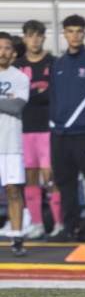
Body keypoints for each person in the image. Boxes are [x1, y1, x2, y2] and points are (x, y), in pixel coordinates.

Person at [48, 14, 85, 243]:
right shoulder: (59, 64)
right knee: (65, 184)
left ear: (84, 33)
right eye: (70, 31)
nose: (75, 35)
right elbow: (53, 98)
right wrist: (54, 126)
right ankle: (69, 226)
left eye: (79, 31)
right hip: (60, 135)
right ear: (64, 33)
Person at [13, 20, 63, 240]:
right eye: (30, 35)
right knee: (31, 178)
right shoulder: (17, 65)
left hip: (47, 129)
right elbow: (14, 99)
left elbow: (55, 95)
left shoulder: (54, 63)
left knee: (51, 179)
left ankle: (59, 224)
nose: (34, 40)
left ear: (44, 38)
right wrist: (38, 93)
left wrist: (31, 95)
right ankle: (37, 223)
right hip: (24, 129)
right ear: (24, 38)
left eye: (38, 35)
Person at [0, 32, 29, 257]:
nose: (3, 52)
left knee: (13, 190)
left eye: (8, 48)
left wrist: (8, 103)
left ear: (14, 52)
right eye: (0, 47)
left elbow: (16, 107)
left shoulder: (20, 77)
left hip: (10, 144)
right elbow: (8, 104)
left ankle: (17, 236)